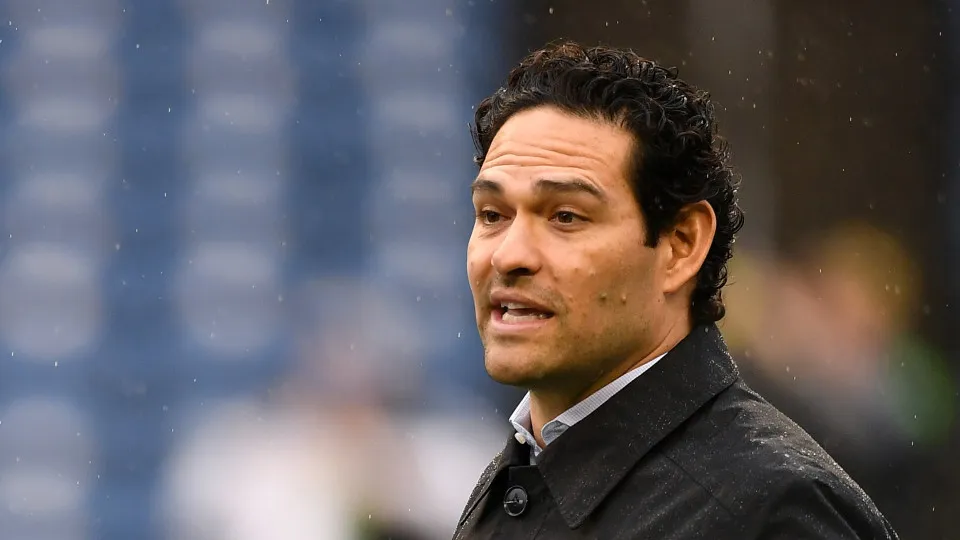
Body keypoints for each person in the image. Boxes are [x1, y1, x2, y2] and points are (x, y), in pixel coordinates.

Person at [453, 41, 899, 539]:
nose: (508, 255)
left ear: (681, 246)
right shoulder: (520, 475)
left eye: (566, 216)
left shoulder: (773, 510)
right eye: (492, 215)